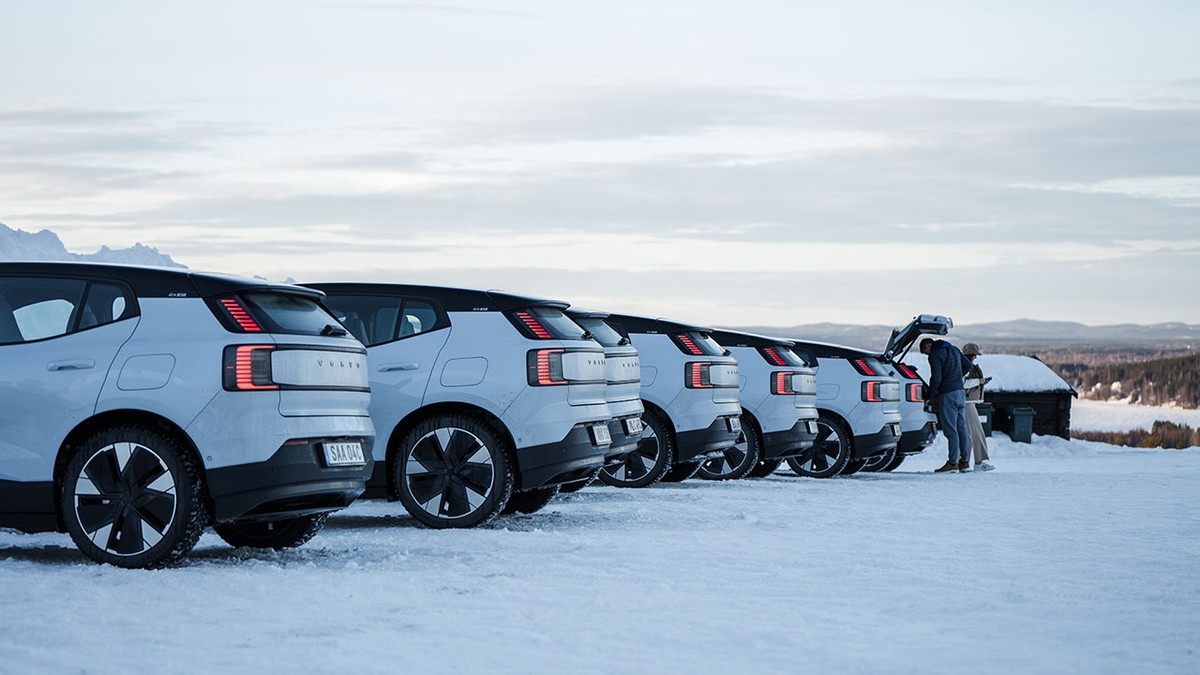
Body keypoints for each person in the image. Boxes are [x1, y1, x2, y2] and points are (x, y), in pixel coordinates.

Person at [920, 337, 973, 473]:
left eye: (925, 351)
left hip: (948, 394)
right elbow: (968, 365)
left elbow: (936, 377)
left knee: (951, 429)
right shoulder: (954, 349)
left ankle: (952, 463)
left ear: (928, 345)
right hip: (960, 393)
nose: (927, 355)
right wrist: (955, 377)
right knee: (961, 427)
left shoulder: (935, 354)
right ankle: (964, 462)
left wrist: (929, 396)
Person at [962, 343, 994, 471]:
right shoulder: (965, 367)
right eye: (975, 355)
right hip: (967, 403)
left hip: (969, 403)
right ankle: (978, 462)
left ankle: (964, 462)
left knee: (969, 435)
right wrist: (980, 381)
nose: (975, 358)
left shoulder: (966, 365)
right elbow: (963, 383)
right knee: (977, 433)